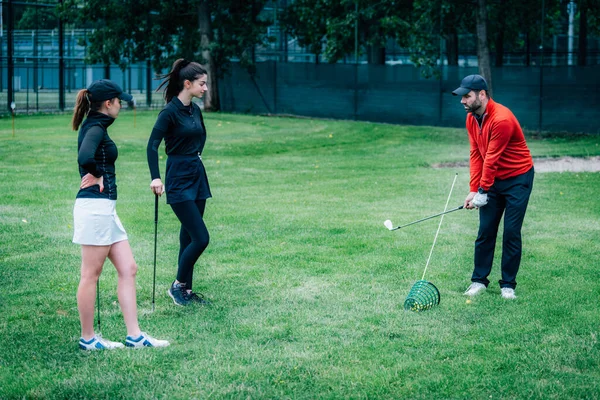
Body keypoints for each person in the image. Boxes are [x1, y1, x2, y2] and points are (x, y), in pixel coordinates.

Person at [72, 79, 170, 350]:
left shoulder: (97, 125)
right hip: (95, 209)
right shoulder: (95, 127)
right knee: (90, 275)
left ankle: (135, 336)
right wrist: (98, 174)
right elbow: (85, 157)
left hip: (106, 210)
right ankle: (88, 339)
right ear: (108, 103)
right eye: (119, 101)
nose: (121, 106)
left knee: (129, 269)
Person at [452, 74, 534, 300]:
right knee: (486, 230)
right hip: (493, 181)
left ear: (482, 95)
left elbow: (492, 158)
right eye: (462, 97)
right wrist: (474, 189)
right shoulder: (471, 119)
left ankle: (508, 285)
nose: (462, 101)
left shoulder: (502, 119)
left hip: (518, 178)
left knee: (511, 232)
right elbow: (477, 154)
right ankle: (479, 281)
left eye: (466, 96)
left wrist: (482, 191)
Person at [147, 59, 212, 307]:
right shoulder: (169, 112)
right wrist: (155, 177)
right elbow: (152, 146)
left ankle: (186, 290)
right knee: (201, 238)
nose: (205, 88)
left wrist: (196, 152)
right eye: (201, 84)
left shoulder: (195, 110)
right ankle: (177, 286)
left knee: (188, 236)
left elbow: (201, 134)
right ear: (187, 84)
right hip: (178, 178)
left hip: (197, 175)